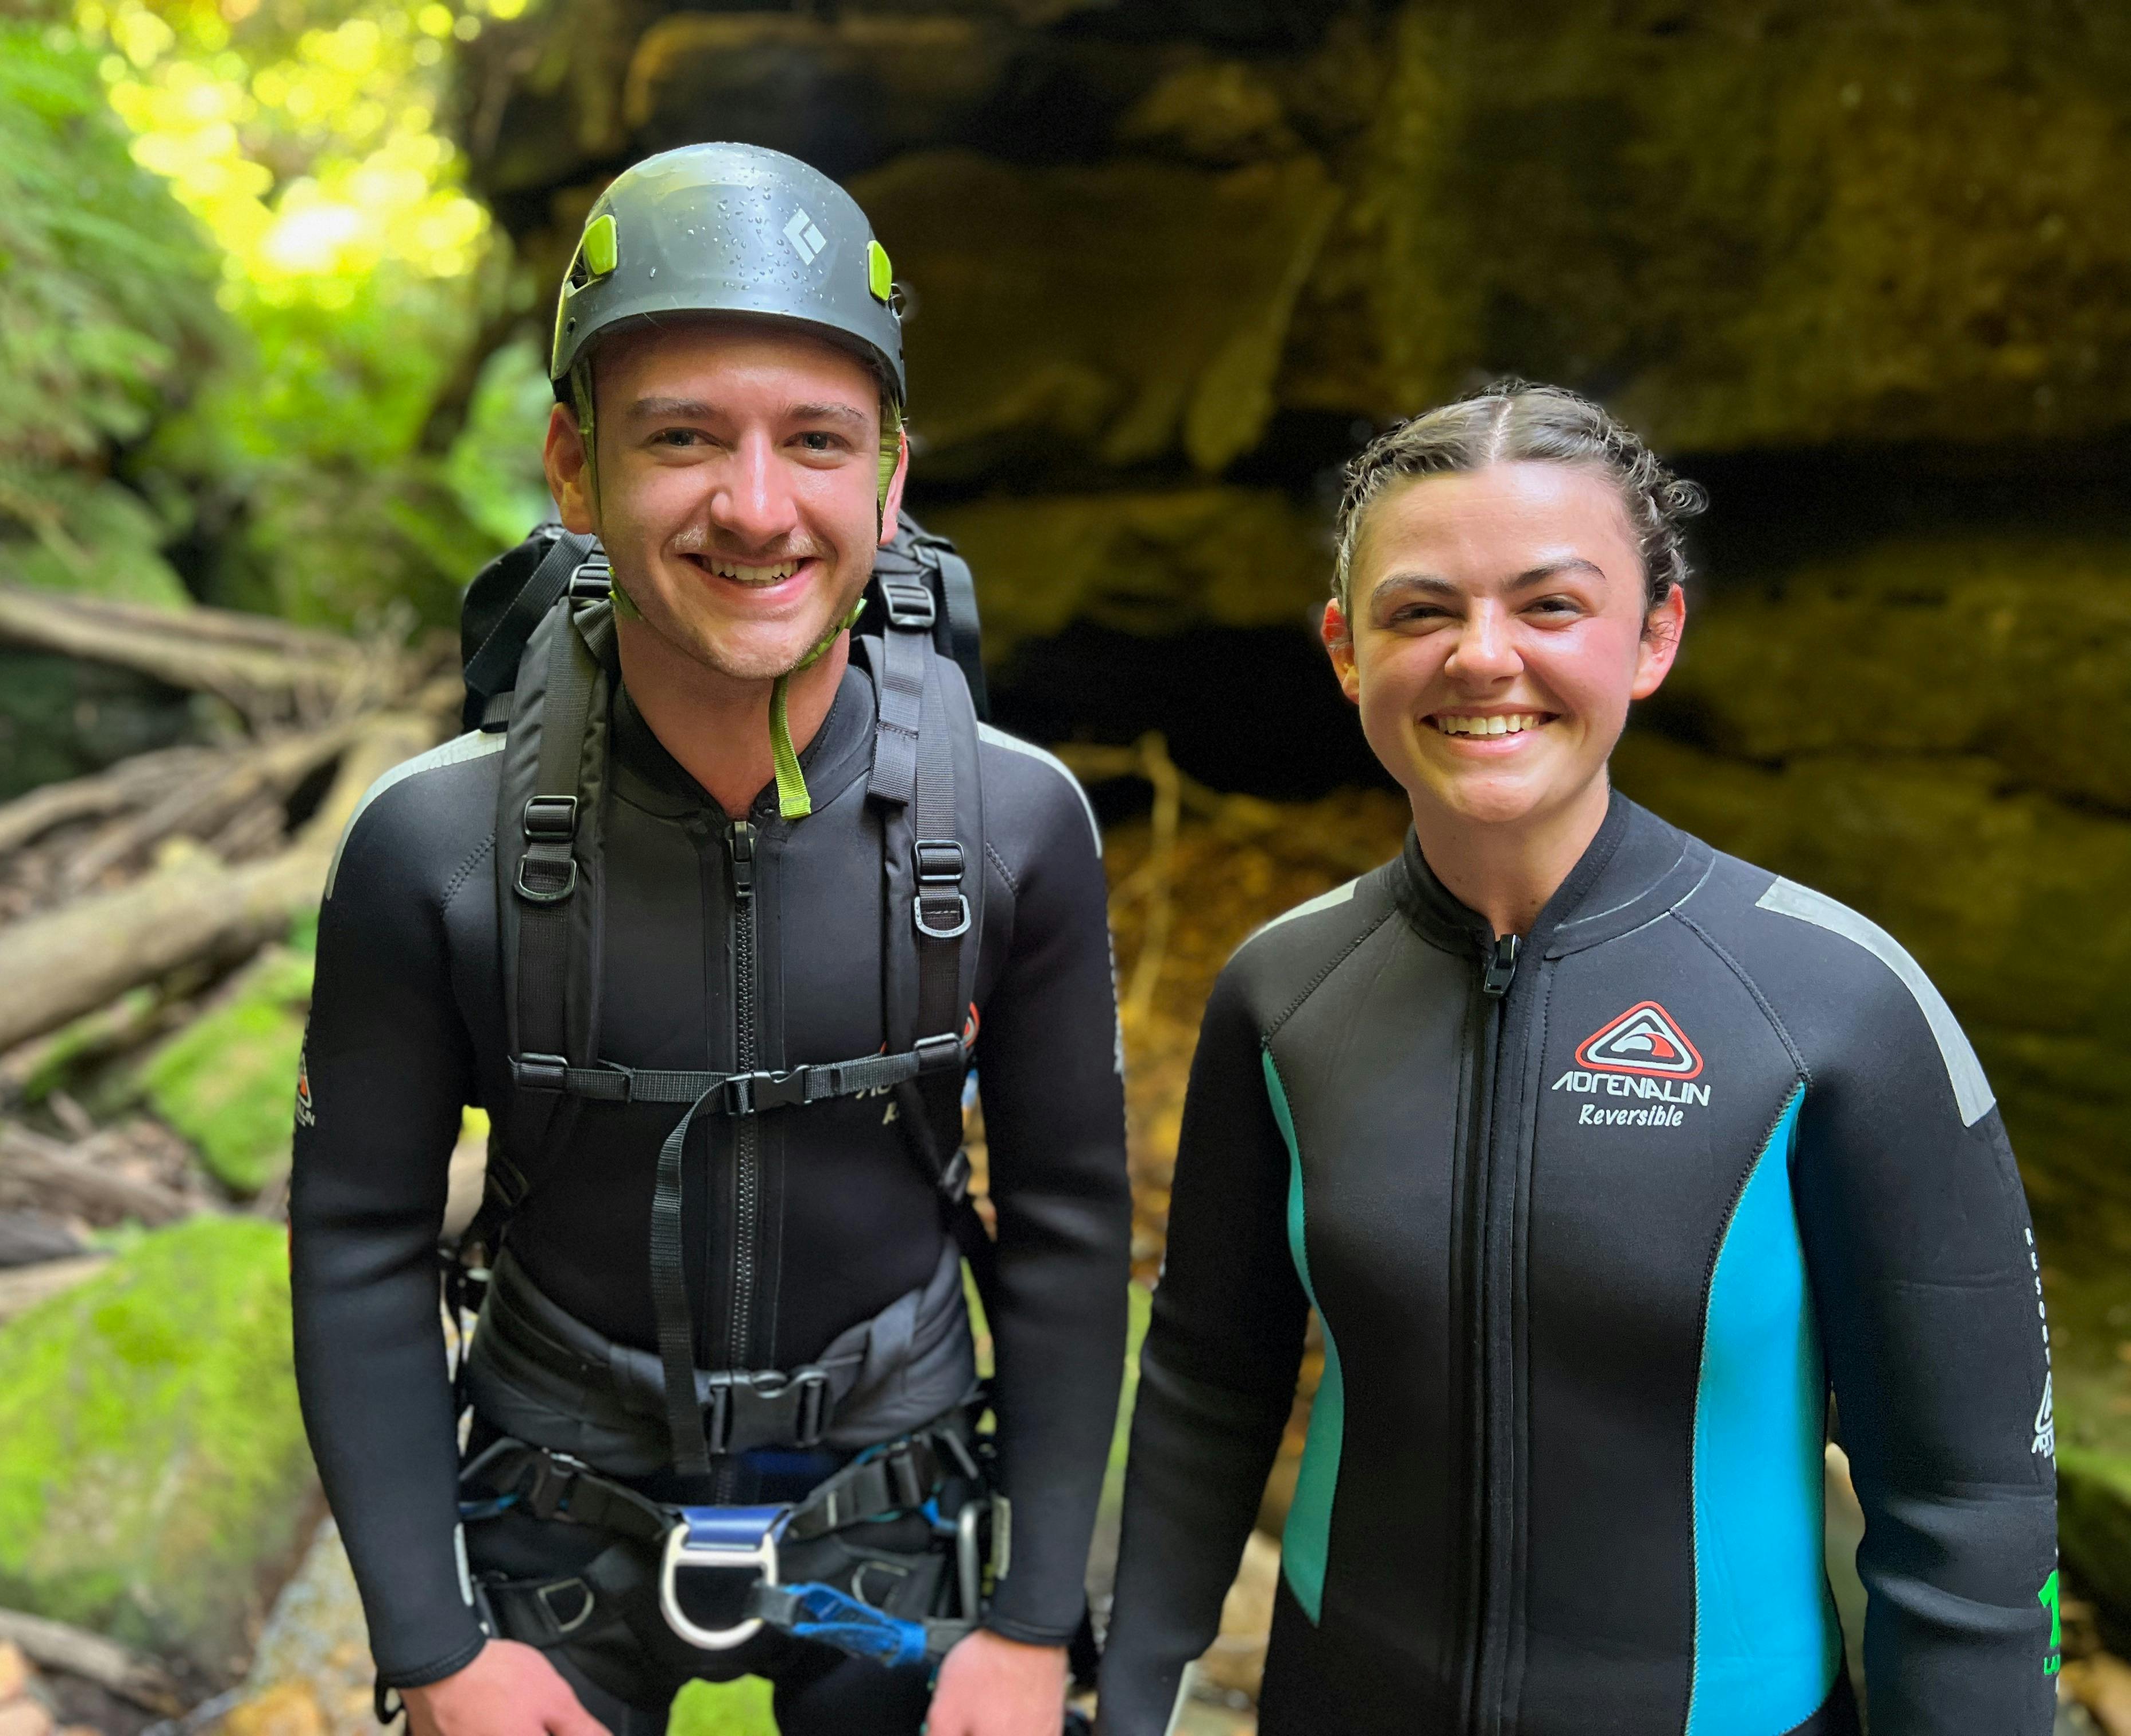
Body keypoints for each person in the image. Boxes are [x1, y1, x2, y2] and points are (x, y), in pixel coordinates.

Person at [289, 142, 1131, 1736]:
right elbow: (356, 1243)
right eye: (682, 438)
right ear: (573, 467)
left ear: (891, 476)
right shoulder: (431, 848)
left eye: (817, 441)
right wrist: (434, 1648)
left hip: (898, 1509)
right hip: (552, 1506)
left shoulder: (1015, 826)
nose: (756, 507)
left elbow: (1079, 1224)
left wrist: (1035, 1622)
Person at [1096, 382, 2059, 1735]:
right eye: (1422, 610)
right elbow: (1208, 1372)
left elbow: (1969, 1500)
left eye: (1550, 606)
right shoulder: (1288, 991)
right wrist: (1134, 1686)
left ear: (1653, 635)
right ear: (1344, 651)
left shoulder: (1833, 1003)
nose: (1484, 657)